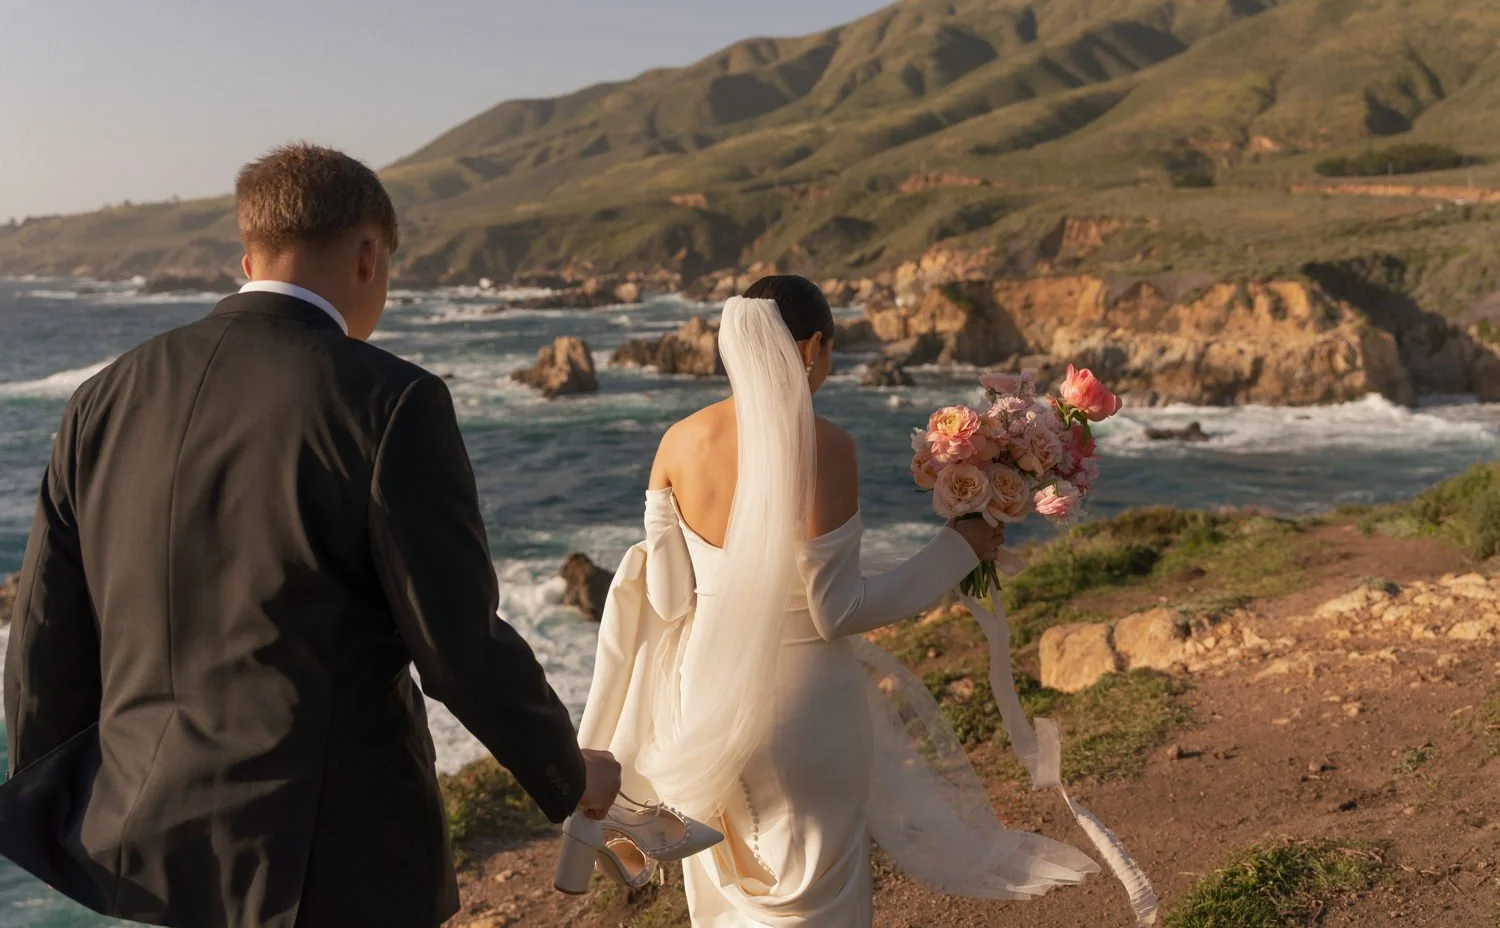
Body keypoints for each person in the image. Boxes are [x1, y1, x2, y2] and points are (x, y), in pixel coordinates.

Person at [0, 143, 619, 928]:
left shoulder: (102, 398)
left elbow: (46, 634)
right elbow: (457, 648)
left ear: (247, 253)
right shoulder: (393, 402)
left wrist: (72, 814)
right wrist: (566, 775)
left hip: (152, 843)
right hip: (332, 859)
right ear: (369, 255)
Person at [578, 275, 1099, 926]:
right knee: (821, 895)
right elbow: (837, 611)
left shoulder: (678, 442)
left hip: (702, 705)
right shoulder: (827, 447)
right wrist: (961, 548)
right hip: (805, 709)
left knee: (729, 897)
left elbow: (669, 596)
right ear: (813, 347)